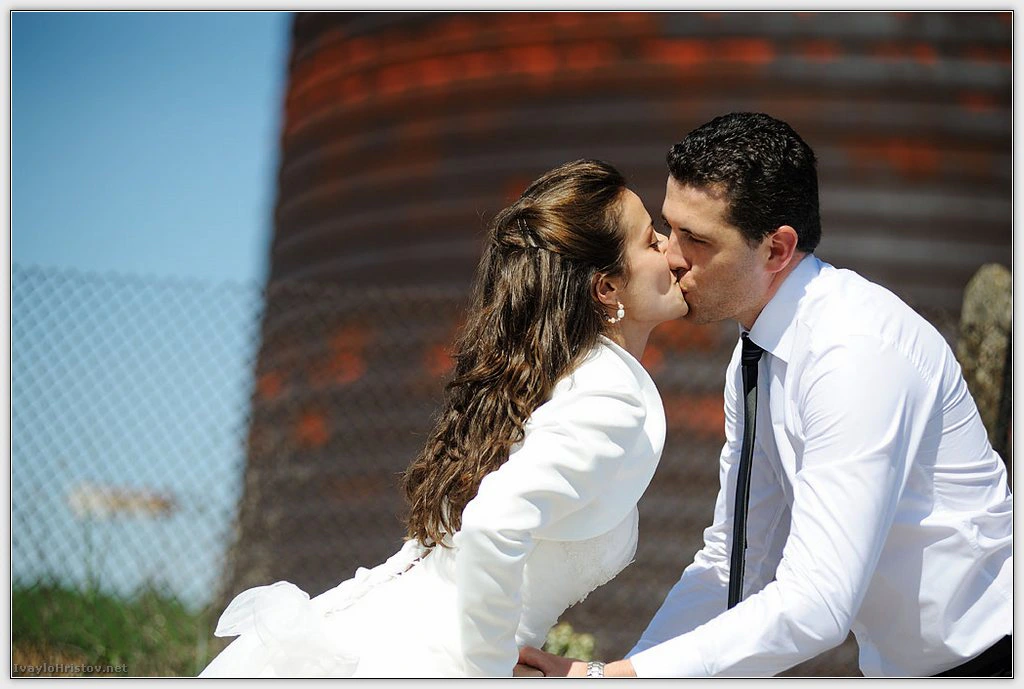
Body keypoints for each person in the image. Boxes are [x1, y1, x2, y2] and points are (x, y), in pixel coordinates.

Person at [518, 113, 1013, 677]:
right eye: (670, 228)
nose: (672, 255)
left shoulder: (852, 353)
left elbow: (817, 603)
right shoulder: (758, 350)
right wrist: (626, 674)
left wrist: (613, 678)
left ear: (777, 249)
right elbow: (735, 565)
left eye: (698, 239)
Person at [197, 159, 689, 677]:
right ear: (606, 288)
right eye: (650, 240)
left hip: (383, 636)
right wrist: (489, 670)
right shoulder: (609, 396)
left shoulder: (547, 378)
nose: (669, 248)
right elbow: (493, 524)